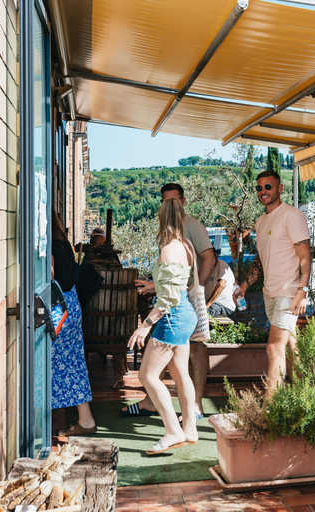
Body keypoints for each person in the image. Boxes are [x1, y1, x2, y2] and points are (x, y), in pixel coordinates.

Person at [123, 183, 216, 419]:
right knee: (178, 368)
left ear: (182, 202)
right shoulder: (177, 240)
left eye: (172, 202)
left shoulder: (191, 228)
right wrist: (156, 285)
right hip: (180, 301)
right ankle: (162, 409)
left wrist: (197, 289)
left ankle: (194, 408)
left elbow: (208, 258)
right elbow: (175, 277)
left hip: (182, 303)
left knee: (186, 354)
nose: (169, 206)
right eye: (166, 202)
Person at [127, 198, 199, 454]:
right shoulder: (186, 245)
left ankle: (173, 431)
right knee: (181, 375)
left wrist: (145, 326)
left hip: (173, 317)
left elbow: (169, 299)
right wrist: (153, 286)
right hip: (185, 315)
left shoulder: (169, 248)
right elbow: (179, 284)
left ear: (161, 218)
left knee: (147, 375)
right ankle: (190, 428)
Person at [233, 170, 312, 400]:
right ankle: (303, 396)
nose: (263, 192)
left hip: (289, 291)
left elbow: (305, 256)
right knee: (291, 344)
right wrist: (246, 284)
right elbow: (261, 257)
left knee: (273, 347)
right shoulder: (261, 221)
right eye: (259, 188)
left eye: (268, 187)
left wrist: (302, 291)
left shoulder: (292, 215)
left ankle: (270, 407)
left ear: (280, 188)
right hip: (270, 292)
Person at [51, 211, 97, 436]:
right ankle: (85, 419)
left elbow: (49, 277)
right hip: (72, 304)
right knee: (73, 362)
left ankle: (47, 417)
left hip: (57, 307)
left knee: (51, 361)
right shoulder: (63, 244)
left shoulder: (48, 246)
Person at [205, 248, 236, 317]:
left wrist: (207, 305)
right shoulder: (206, 267)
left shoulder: (221, 265)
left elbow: (221, 285)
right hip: (212, 304)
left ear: (216, 256)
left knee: (204, 314)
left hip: (223, 305)